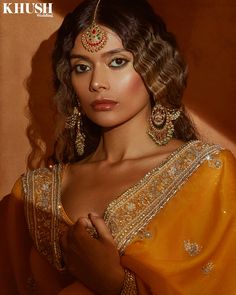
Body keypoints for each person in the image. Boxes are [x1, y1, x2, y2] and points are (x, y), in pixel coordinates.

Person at [1, 0, 236, 294]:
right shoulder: (32, 195)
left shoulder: (210, 175)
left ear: (155, 69)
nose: (97, 82)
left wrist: (115, 284)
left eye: (117, 62)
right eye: (82, 67)